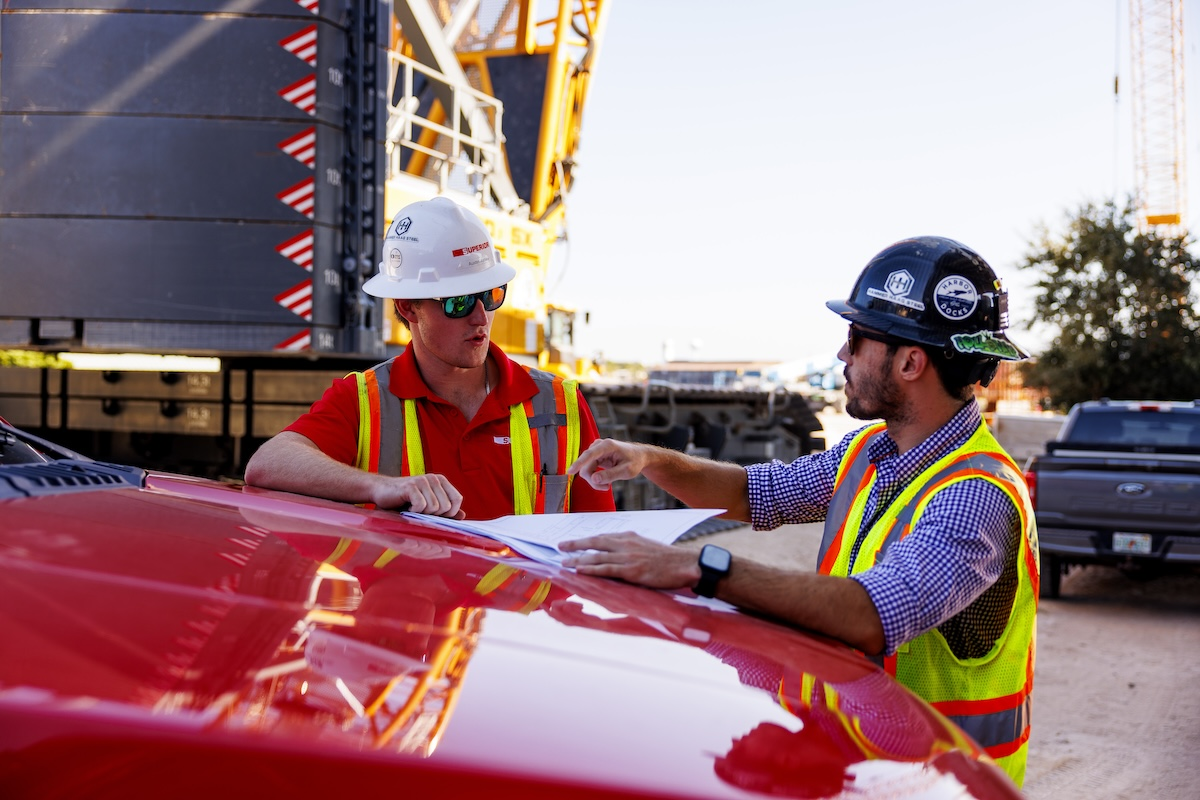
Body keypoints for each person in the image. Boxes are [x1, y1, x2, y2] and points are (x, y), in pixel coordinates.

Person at [559, 236, 1038, 787]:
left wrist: (700, 568)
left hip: (939, 785)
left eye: (857, 339)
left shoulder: (978, 494)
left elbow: (873, 613)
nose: (842, 355)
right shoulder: (870, 453)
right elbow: (749, 492)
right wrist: (646, 458)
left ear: (910, 361)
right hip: (864, 772)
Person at [245, 196, 614, 520]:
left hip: (522, 604)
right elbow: (267, 464)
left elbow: (600, 540)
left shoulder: (561, 403)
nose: (480, 317)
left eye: (490, 295)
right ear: (408, 307)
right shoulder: (366, 401)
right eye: (458, 302)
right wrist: (379, 487)